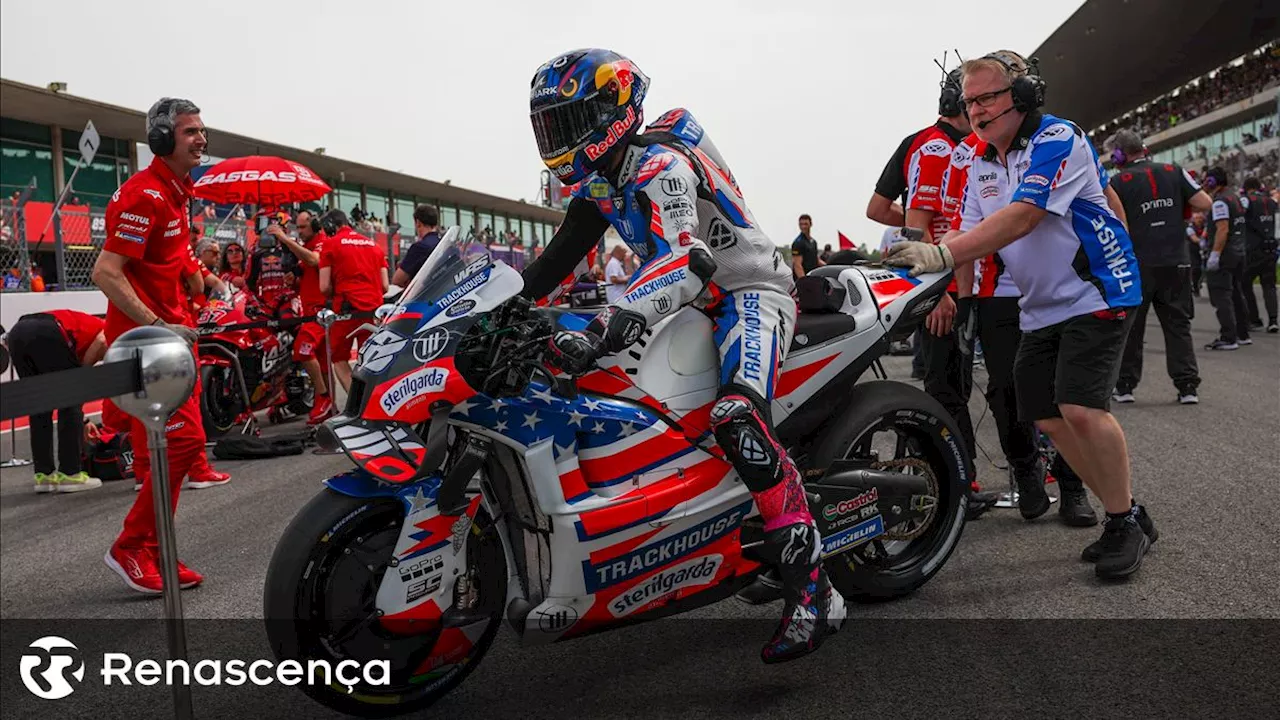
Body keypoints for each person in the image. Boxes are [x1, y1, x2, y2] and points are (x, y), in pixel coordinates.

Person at [525, 48, 842, 662]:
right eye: (549, 127)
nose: (557, 139)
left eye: (567, 123)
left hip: (748, 293)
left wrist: (605, 327)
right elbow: (553, 262)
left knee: (736, 418)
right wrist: (484, 308)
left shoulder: (661, 166)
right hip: (690, 305)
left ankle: (815, 589)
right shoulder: (601, 182)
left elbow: (685, 262)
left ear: (611, 113)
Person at [886, 54, 1156, 579]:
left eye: (988, 97)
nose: (978, 110)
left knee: (1079, 407)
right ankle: (1131, 514)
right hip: (1038, 306)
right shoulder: (979, 160)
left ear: (1024, 95)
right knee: (1046, 416)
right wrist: (948, 298)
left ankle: (1121, 520)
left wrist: (943, 253)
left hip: (1095, 292)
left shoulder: (1060, 138)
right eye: (970, 102)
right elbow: (965, 234)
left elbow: (1024, 216)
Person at [869, 65, 1004, 520]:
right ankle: (956, 487)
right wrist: (936, 282)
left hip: (958, 276)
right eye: (974, 104)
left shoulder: (913, 139)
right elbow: (912, 224)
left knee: (949, 387)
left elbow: (877, 210)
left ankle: (946, 482)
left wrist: (921, 220)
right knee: (948, 390)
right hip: (948, 283)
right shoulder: (940, 146)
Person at [91, 96, 210, 594]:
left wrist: (197, 281)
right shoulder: (145, 195)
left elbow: (165, 261)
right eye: (189, 132)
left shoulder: (177, 192)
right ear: (163, 140)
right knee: (180, 445)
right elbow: (105, 272)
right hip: (149, 346)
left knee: (172, 450)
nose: (201, 138)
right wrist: (160, 323)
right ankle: (132, 546)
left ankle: (156, 549)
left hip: (171, 342)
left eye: (203, 130)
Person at [1105, 129, 1212, 404]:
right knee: (1178, 325)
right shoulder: (1173, 170)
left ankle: (1126, 386)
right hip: (1176, 260)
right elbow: (1205, 202)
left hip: (1138, 265)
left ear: (1119, 155)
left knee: (1131, 327)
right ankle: (1187, 386)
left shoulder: (1117, 181)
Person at [6, 309, 107, 493]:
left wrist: (82, 420)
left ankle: (43, 476)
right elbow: (101, 340)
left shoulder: (85, 324)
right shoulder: (109, 329)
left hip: (18, 332)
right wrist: (80, 376)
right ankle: (70, 474)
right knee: (70, 400)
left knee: (39, 405)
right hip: (49, 330)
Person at [318, 209, 387, 393]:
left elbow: (324, 287)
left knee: (338, 358)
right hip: (373, 310)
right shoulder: (373, 245)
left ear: (330, 226)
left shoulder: (330, 244)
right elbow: (385, 286)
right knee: (370, 360)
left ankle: (356, 403)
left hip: (346, 310)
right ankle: (375, 400)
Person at [278, 209, 334, 423]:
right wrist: (295, 280)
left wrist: (285, 238)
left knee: (302, 350)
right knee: (322, 362)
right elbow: (309, 273)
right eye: (298, 227)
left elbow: (313, 261)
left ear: (316, 226)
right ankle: (331, 409)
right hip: (309, 310)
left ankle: (323, 397)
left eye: (303, 227)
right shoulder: (308, 245)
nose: (299, 232)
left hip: (321, 311)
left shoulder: (321, 243)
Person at [1202, 167, 1252, 350]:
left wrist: (1215, 254)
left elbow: (1223, 229)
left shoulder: (1220, 202)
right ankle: (1242, 333)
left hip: (1226, 254)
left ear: (1213, 181)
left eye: (1206, 180)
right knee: (1237, 293)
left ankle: (1228, 337)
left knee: (1221, 295)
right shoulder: (1235, 197)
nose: (1204, 183)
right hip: (1240, 252)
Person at [1241, 177, 1278, 333]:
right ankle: (1273, 320)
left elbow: (1239, 216)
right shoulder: (1271, 202)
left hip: (1252, 249)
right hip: (1270, 248)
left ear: (1248, 188)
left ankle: (1254, 319)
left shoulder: (1246, 200)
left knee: (1245, 283)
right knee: (1269, 286)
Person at [247, 210, 299, 312]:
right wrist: (255, 301)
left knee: (289, 321)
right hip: (264, 303)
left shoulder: (293, 247)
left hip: (288, 301)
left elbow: (300, 278)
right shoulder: (255, 252)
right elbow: (249, 283)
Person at [390, 204, 441, 288]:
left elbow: (397, 279)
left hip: (424, 296)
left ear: (418, 223)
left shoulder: (419, 247)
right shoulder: (445, 245)